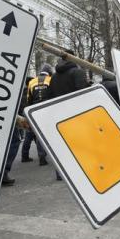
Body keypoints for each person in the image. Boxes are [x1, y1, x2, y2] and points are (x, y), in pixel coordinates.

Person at [47, 50, 88, 180]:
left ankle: (61, 173)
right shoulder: (78, 72)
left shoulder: (54, 77)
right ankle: (82, 172)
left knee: (63, 145)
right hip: (76, 114)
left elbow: (50, 96)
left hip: (59, 115)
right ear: (73, 58)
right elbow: (82, 94)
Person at [21, 64, 53, 165]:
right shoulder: (51, 79)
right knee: (45, 133)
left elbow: (28, 99)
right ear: (49, 72)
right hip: (47, 109)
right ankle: (46, 156)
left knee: (34, 134)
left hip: (34, 110)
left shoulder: (32, 81)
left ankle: (32, 156)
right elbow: (53, 94)